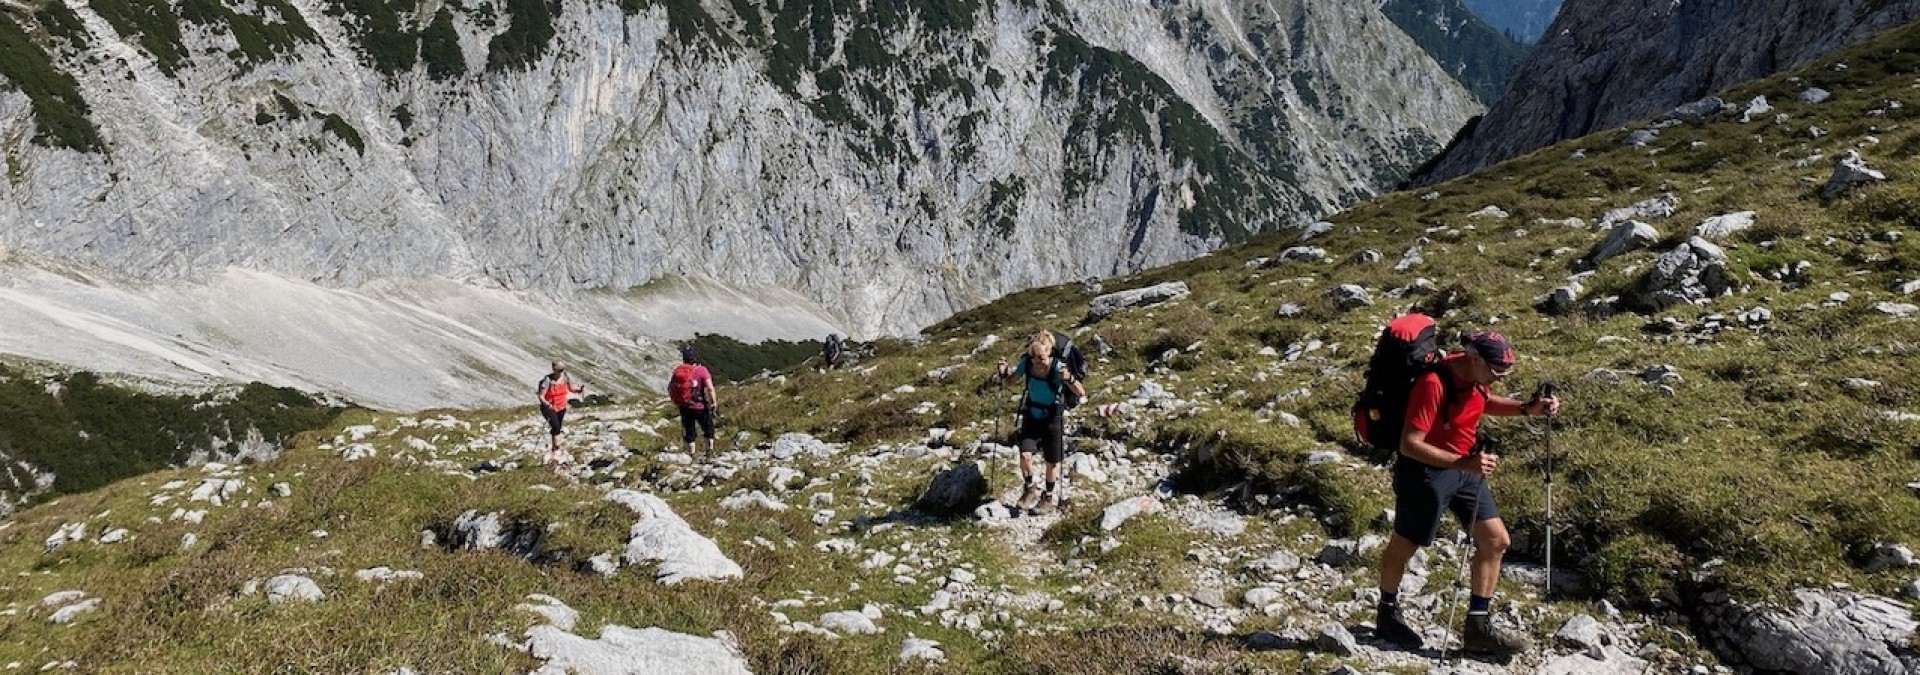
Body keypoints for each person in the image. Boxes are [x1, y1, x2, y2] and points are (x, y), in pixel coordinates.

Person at [1374, 330, 1559, 654]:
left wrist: (1527, 409)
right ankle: (1386, 612)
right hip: (1425, 474)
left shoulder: (1475, 377)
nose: (1499, 378)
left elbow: (1484, 402)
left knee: (1496, 540)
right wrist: (1465, 463)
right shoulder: (1433, 384)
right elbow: (1409, 444)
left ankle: (1478, 626)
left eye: (1505, 372)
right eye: (1496, 371)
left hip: (1465, 467)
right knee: (1405, 545)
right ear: (1474, 359)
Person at [988, 331, 1086, 515]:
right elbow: (1010, 381)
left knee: (1052, 462)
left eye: (1040, 357)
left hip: (1052, 417)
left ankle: (1048, 498)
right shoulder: (1027, 363)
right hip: (1031, 414)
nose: (1036, 361)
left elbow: (1080, 392)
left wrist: (1069, 379)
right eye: (1033, 356)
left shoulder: (1059, 368)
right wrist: (1003, 373)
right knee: (1025, 455)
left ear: (1049, 353)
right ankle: (1030, 488)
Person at [669, 345, 719, 458]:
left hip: (685, 406)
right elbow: (710, 388)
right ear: (695, 358)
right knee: (708, 428)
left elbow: (671, 387)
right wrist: (714, 402)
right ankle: (709, 451)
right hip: (700, 406)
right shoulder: (701, 370)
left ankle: (691, 454)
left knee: (689, 430)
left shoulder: (678, 371)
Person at [536, 361, 586, 468]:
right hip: (549, 407)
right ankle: (556, 448)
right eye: (559, 370)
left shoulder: (565, 377)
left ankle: (555, 448)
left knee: (558, 426)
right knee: (556, 426)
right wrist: (547, 404)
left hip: (561, 406)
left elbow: (570, 388)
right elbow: (541, 396)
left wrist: (578, 390)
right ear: (554, 369)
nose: (561, 372)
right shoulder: (547, 381)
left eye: (563, 369)